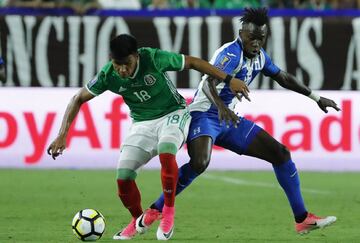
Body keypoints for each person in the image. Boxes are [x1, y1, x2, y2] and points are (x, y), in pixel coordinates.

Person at [137, 8, 339, 236]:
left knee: (280, 153)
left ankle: (302, 219)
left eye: (261, 38)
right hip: (204, 114)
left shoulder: (261, 57)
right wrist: (221, 107)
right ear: (241, 33)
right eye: (251, 37)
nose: (256, 43)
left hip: (229, 119)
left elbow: (283, 77)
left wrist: (316, 97)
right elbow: (207, 83)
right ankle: (155, 209)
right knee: (200, 162)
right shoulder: (230, 54)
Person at [46, 34, 249, 240]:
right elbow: (78, 98)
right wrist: (62, 135)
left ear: (136, 56)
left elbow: (193, 62)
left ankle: (168, 212)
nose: (122, 70)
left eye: (126, 64)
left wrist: (229, 79)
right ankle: (138, 220)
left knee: (167, 152)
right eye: (117, 65)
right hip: (142, 123)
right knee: (123, 179)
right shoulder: (108, 74)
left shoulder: (152, 58)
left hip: (173, 113)